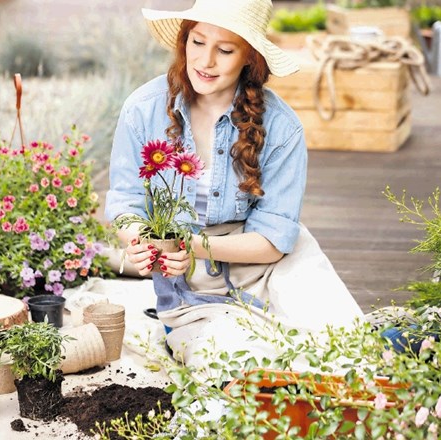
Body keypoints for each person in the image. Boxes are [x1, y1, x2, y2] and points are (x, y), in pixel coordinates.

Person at [105, 0, 364, 371]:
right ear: (184, 40)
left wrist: (193, 245)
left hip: (270, 265)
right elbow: (126, 201)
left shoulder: (282, 127)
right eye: (197, 42)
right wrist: (141, 241)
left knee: (348, 351)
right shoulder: (142, 109)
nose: (205, 61)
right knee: (240, 366)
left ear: (249, 57)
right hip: (194, 289)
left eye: (225, 50)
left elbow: (274, 241)